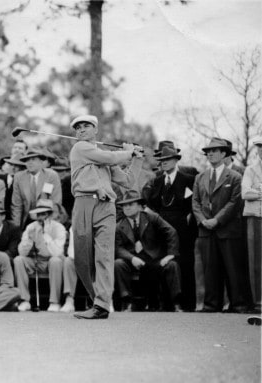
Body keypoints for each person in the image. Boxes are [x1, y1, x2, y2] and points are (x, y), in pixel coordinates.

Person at [69, 114, 144, 320]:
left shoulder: (103, 155)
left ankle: (102, 304)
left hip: (106, 207)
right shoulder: (80, 148)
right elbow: (111, 158)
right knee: (83, 258)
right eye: (78, 128)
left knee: (104, 256)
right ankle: (97, 298)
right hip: (84, 203)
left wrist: (136, 158)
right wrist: (127, 151)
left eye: (86, 126)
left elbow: (128, 181)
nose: (81, 130)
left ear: (96, 130)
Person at [192, 137, 250, 313]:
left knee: (233, 269)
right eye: (208, 151)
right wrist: (203, 220)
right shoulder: (200, 177)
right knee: (210, 269)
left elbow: (234, 203)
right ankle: (211, 304)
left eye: (214, 151)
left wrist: (217, 220)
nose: (210, 154)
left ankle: (237, 305)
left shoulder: (235, 176)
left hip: (228, 230)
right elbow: (195, 202)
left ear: (224, 153)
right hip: (206, 231)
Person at [144, 145, 196, 311]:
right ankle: (165, 304)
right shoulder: (157, 180)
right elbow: (151, 204)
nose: (163, 163)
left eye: (167, 160)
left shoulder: (189, 179)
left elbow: (195, 203)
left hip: (183, 229)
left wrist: (189, 218)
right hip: (162, 229)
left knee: (184, 264)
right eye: (161, 160)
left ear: (175, 160)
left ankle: (187, 304)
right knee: (162, 263)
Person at [114, 190, 182, 311]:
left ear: (140, 206)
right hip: (133, 261)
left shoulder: (152, 218)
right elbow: (118, 248)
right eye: (124, 205)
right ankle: (127, 302)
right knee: (118, 264)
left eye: (131, 204)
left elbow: (171, 232)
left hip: (154, 259)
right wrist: (132, 258)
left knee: (172, 265)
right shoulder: (119, 226)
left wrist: (170, 255)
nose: (127, 208)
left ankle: (176, 303)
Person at [14, 199, 66, 312]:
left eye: (43, 214)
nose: (40, 217)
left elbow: (56, 252)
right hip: (36, 261)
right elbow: (21, 252)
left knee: (55, 260)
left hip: (52, 262)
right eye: (38, 214)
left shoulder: (59, 228)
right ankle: (24, 300)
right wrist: (29, 241)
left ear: (50, 214)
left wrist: (46, 235)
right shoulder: (31, 227)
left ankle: (54, 302)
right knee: (19, 260)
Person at [11, 148, 62, 229]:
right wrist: (16, 228)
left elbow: (55, 203)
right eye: (27, 160)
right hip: (27, 220)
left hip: (47, 218)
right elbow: (16, 205)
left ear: (41, 162)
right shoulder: (19, 177)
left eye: (33, 159)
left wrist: (50, 226)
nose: (30, 163)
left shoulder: (51, 176)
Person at [242, 136, 262, 314]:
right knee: (256, 261)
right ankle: (258, 302)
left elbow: (253, 191)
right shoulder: (250, 170)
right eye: (260, 146)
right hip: (255, 218)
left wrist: (258, 190)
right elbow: (245, 193)